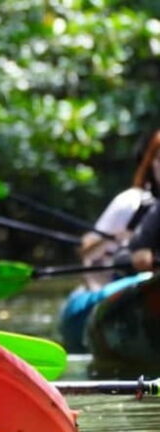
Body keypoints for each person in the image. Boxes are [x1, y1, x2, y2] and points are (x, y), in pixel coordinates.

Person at [59, 130, 160, 351]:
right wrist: (127, 248)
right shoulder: (133, 203)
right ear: (151, 163)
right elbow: (92, 251)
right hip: (116, 285)